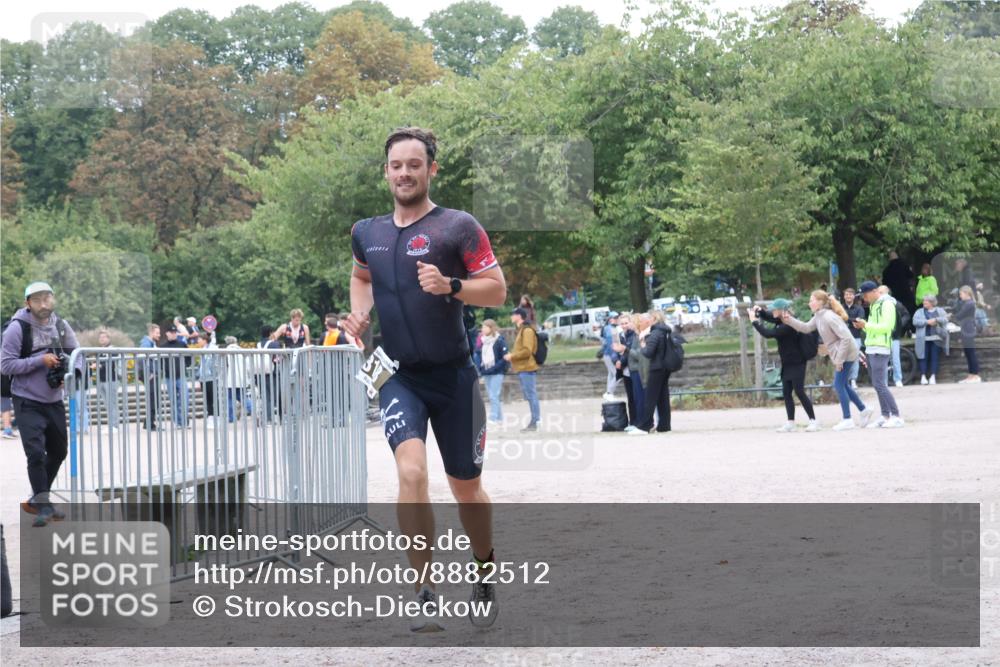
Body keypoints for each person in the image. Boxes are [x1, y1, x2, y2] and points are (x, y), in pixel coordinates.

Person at [343, 127, 506, 631]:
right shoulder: (365, 232)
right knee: (411, 474)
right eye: (397, 165)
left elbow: (497, 291)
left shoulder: (457, 227)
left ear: (431, 170)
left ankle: (483, 570)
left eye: (415, 164)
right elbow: (361, 276)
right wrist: (359, 315)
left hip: (455, 376)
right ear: (386, 171)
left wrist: (452, 285)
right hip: (396, 374)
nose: (405, 173)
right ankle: (424, 590)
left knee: (467, 490)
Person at [0, 282, 82, 526]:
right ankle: (44, 505)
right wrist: (39, 360)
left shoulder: (60, 325)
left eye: (47, 298)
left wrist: (71, 373)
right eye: (37, 300)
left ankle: (37, 499)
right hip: (27, 399)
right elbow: (6, 365)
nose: (44, 304)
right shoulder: (17, 328)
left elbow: (78, 354)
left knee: (59, 451)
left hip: (54, 398)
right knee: (35, 453)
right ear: (28, 303)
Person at [782, 290, 874, 431]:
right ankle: (863, 409)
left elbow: (845, 338)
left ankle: (847, 419)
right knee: (843, 384)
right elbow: (806, 328)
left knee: (838, 384)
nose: (809, 302)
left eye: (811, 300)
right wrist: (789, 320)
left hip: (847, 353)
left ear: (820, 302)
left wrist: (839, 360)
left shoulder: (829, 317)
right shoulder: (819, 316)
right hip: (842, 353)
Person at [750, 298, 818, 432]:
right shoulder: (782, 318)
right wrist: (760, 311)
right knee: (786, 392)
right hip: (787, 363)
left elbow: (768, 333)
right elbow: (770, 317)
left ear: (782, 310)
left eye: (774, 309)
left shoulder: (788, 324)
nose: (772, 311)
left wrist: (754, 322)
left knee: (799, 391)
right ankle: (791, 423)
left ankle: (813, 421)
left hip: (797, 362)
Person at [852, 281, 903, 428]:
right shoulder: (875, 305)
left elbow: (887, 327)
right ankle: (885, 415)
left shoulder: (886, 304)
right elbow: (874, 328)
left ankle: (896, 415)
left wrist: (866, 325)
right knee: (876, 384)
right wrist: (863, 325)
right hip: (872, 348)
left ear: (875, 291)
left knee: (880, 384)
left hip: (881, 348)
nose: (864, 298)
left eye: (865, 295)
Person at [631, 310, 676, 435]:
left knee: (650, 398)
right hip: (664, 367)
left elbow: (648, 352)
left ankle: (644, 427)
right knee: (663, 398)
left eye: (649, 318)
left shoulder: (655, 333)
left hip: (656, 368)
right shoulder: (665, 331)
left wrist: (643, 344)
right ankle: (664, 426)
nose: (647, 320)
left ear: (654, 319)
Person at [507, 308, 540, 432]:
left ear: (519, 316)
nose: (511, 316)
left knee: (531, 395)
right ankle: (535, 420)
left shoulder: (526, 331)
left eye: (513, 314)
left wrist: (512, 356)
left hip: (527, 367)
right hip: (522, 367)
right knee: (529, 395)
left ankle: (535, 421)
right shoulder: (521, 330)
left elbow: (527, 351)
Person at [474, 319, 508, 425]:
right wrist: (482, 368)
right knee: (492, 395)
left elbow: (504, 358)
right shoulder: (483, 340)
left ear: (491, 328)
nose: (482, 329)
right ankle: (499, 418)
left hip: (497, 372)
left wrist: (493, 368)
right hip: (487, 371)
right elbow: (478, 354)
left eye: (485, 327)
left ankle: (493, 417)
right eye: (482, 327)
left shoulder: (499, 340)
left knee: (494, 395)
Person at [624, 313, 652, 433]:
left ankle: (642, 424)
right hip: (635, 369)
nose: (628, 324)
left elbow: (639, 355)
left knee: (641, 398)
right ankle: (639, 423)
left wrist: (625, 350)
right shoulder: (637, 336)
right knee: (637, 398)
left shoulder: (642, 336)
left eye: (630, 322)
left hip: (639, 369)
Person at [912, 295, 949, 385]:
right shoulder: (919, 312)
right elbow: (915, 322)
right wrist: (926, 322)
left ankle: (933, 376)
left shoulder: (940, 311)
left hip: (937, 338)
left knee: (934, 357)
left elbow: (945, 319)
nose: (924, 303)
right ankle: (923, 376)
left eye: (926, 301)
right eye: (924, 301)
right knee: (923, 357)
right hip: (923, 339)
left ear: (932, 303)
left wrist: (936, 319)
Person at [160, 325, 192, 428]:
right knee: (173, 400)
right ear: (167, 333)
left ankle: (183, 421)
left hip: (181, 376)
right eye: (171, 332)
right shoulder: (163, 346)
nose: (173, 334)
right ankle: (178, 422)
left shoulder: (182, 344)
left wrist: (185, 366)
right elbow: (160, 360)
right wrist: (164, 369)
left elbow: (189, 357)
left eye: (175, 332)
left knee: (184, 399)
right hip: (169, 377)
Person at [878, 285, 910, 387]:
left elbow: (906, 315)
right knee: (883, 359)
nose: (880, 294)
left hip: (894, 335)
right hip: (881, 335)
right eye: (879, 292)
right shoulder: (877, 304)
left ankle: (898, 379)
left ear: (887, 292)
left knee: (895, 358)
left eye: (882, 292)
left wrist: (899, 326)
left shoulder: (895, 303)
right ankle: (884, 380)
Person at [611, 312, 638, 428]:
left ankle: (638, 422)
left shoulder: (634, 335)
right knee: (630, 398)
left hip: (633, 369)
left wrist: (621, 362)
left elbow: (629, 351)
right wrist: (616, 360)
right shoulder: (620, 335)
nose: (624, 325)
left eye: (626, 323)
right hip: (626, 371)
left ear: (630, 323)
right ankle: (632, 422)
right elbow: (616, 350)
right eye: (622, 323)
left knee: (637, 397)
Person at [93, 329, 122, 431]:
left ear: (108, 338)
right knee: (106, 404)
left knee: (112, 403)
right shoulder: (99, 350)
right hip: (101, 380)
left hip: (111, 380)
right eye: (100, 337)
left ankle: (115, 425)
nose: (101, 339)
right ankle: (111, 425)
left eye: (104, 337)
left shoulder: (112, 349)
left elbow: (111, 363)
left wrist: (99, 365)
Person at [953, 285, 981, 383]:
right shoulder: (966, 303)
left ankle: (976, 375)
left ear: (966, 293)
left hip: (968, 330)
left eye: (961, 294)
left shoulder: (969, 303)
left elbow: (960, 315)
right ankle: (970, 375)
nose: (960, 296)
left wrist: (950, 317)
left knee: (971, 352)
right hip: (965, 329)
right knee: (968, 353)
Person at [841, 287, 865, 389]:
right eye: (846, 294)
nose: (848, 296)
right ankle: (844, 380)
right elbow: (838, 320)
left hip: (856, 337)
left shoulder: (859, 308)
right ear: (844, 296)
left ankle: (853, 380)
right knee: (843, 359)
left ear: (854, 296)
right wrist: (853, 320)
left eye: (850, 294)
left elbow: (860, 321)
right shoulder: (840, 308)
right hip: (842, 338)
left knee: (855, 359)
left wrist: (847, 320)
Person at [138, 323, 161, 430]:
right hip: (151, 375)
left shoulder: (150, 343)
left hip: (153, 374)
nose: (159, 335)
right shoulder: (146, 343)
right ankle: (150, 423)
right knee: (153, 400)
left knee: (154, 399)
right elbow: (142, 359)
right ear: (151, 333)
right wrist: (148, 374)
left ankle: (148, 422)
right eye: (157, 333)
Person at [224, 335, 252, 421]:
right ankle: (254, 411)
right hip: (241, 378)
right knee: (243, 397)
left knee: (229, 398)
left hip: (230, 379)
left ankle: (231, 417)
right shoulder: (241, 351)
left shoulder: (225, 352)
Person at [882, 250, 915, 314]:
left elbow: (885, 283)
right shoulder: (904, 265)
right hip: (906, 291)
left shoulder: (887, 270)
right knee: (910, 308)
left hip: (895, 293)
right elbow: (911, 275)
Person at [599, 312, 620, 401]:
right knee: (617, 374)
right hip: (610, 354)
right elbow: (611, 344)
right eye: (616, 318)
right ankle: (609, 393)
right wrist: (615, 356)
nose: (617, 320)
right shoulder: (611, 329)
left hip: (607, 354)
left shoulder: (608, 328)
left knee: (611, 374)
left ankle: (608, 393)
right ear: (611, 319)